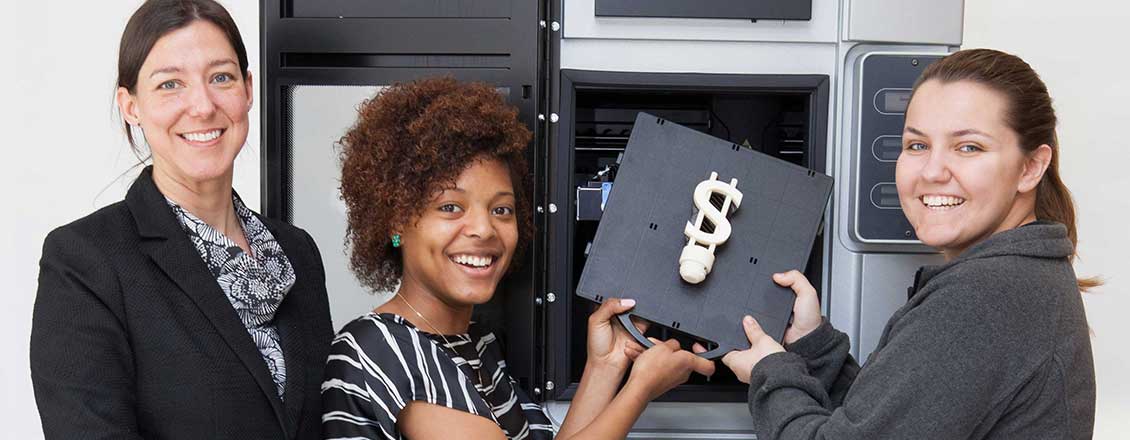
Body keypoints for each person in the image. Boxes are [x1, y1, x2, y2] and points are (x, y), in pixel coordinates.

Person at [716, 49, 1097, 439]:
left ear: (1031, 167)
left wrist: (771, 371)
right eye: (917, 145)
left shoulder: (985, 294)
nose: (932, 171)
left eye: (968, 148)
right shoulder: (1025, 278)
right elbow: (902, 419)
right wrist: (813, 345)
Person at [321, 77, 715, 439]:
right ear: (396, 220)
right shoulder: (378, 350)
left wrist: (606, 364)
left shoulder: (476, 342)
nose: (485, 229)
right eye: (451, 208)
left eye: (501, 210)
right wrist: (640, 388)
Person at [30, 1, 332, 438]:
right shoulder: (85, 261)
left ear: (248, 89)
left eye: (221, 77)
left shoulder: (296, 253)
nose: (202, 106)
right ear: (131, 105)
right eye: (170, 84)